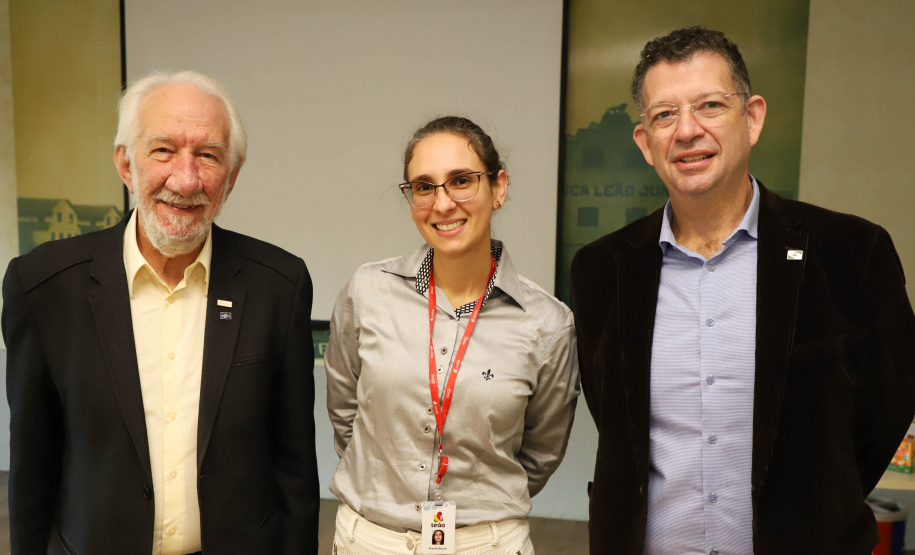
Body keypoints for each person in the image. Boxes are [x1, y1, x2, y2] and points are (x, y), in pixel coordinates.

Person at [570, 26, 915, 554]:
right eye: (664, 115)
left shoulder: (851, 253)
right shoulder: (601, 270)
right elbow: (616, 423)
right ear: (644, 142)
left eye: (710, 105)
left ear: (752, 118)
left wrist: (816, 505)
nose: (687, 131)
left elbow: (886, 408)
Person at [2, 70, 320, 554]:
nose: (186, 179)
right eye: (163, 150)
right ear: (126, 165)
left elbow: (295, 466)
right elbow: (31, 465)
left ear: (230, 179)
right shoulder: (44, 287)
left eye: (208, 156)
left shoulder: (279, 286)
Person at [325, 116, 579, 554]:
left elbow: (540, 455)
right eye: (424, 187)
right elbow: (345, 416)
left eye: (461, 181)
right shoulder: (367, 292)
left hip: (486, 544)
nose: (442, 203)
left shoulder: (548, 324)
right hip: (370, 540)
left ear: (498, 188)